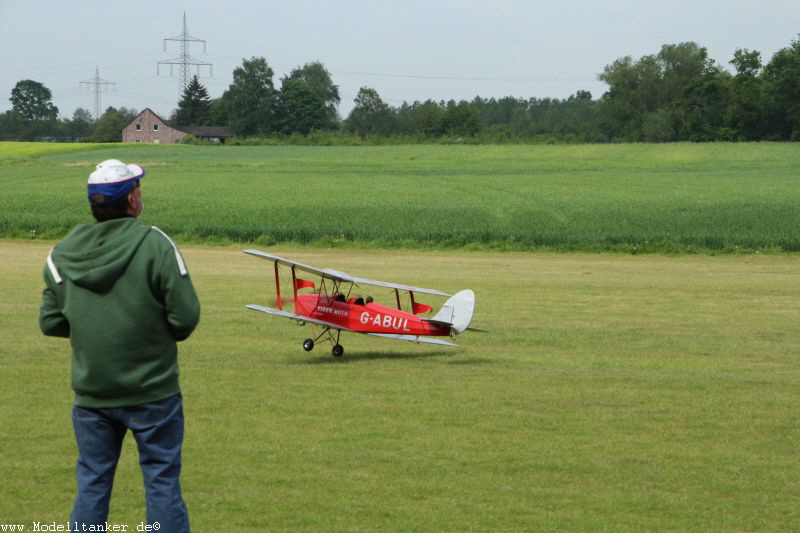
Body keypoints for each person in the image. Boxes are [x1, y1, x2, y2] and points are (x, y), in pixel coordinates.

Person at [39, 159, 200, 532]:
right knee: (161, 483)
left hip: (92, 394)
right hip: (154, 392)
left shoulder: (60, 253)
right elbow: (185, 318)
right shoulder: (156, 245)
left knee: (93, 485)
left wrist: (94, 331)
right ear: (131, 200)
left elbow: (50, 321)